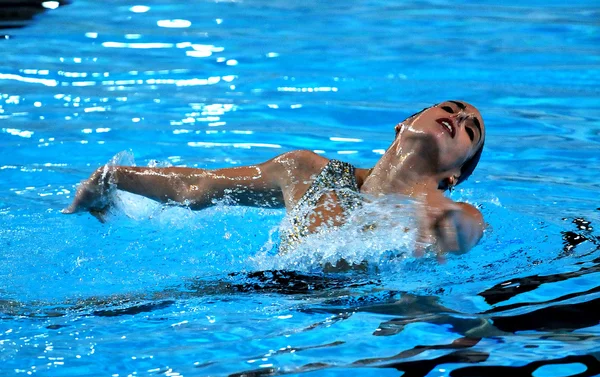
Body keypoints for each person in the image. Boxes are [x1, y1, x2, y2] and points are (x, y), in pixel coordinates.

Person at [63, 100, 485, 260]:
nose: (460, 118)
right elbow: (198, 187)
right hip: (273, 301)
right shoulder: (307, 172)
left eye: (471, 131)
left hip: (379, 328)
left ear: (454, 176)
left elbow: (467, 229)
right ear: (405, 123)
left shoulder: (453, 212)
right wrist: (113, 178)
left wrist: (448, 220)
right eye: (452, 109)